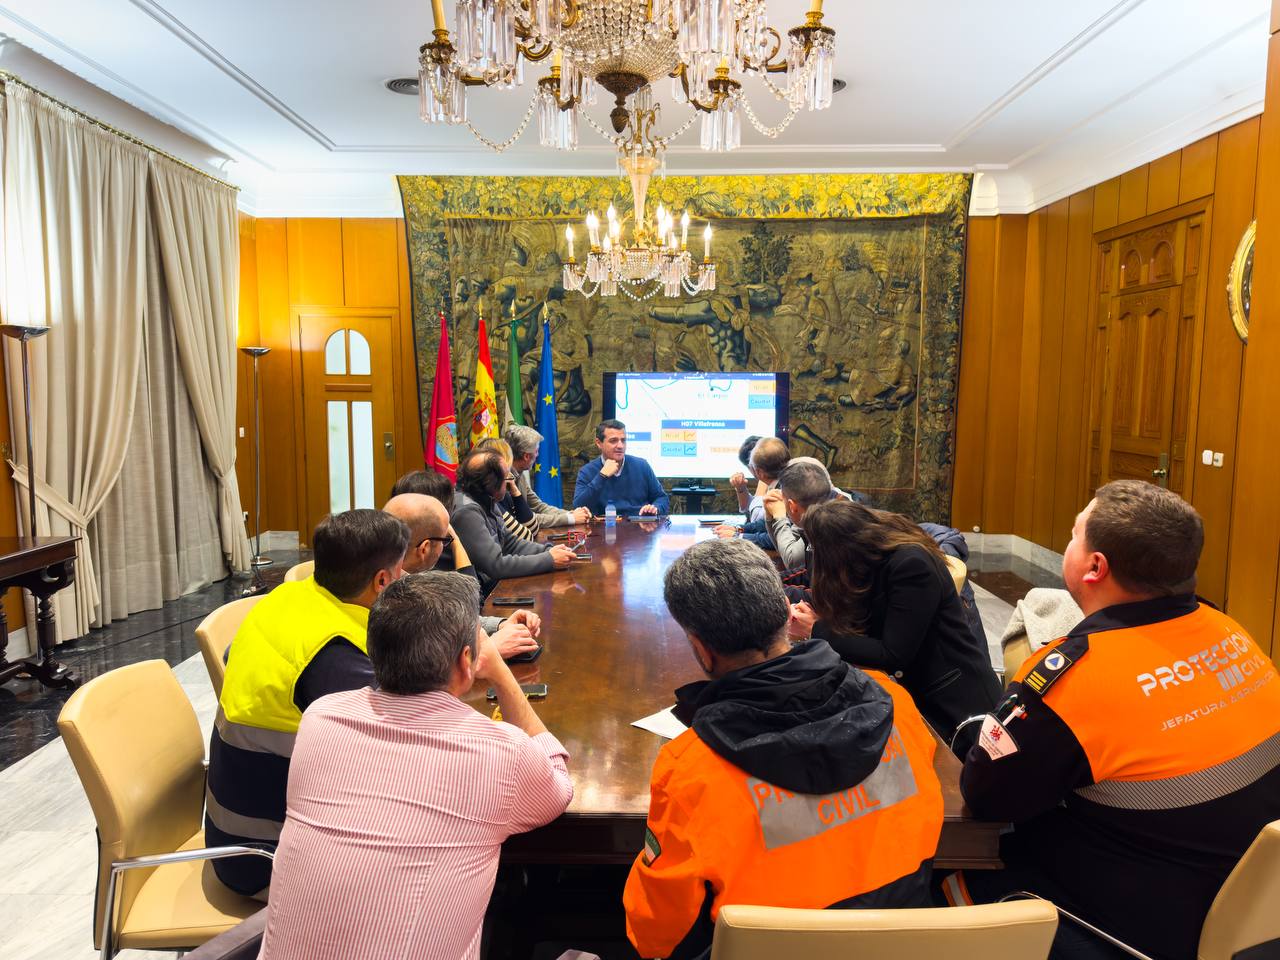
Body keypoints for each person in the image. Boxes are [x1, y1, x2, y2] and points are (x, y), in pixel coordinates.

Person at [954, 481, 1280, 960]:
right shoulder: (1230, 631)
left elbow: (986, 796)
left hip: (1144, 921)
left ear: (1094, 567)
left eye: (1073, 536)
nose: (1068, 544)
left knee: (955, 873)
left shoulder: (1073, 680)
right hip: (1252, 903)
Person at [623, 539, 943, 960]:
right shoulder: (895, 703)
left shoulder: (690, 768)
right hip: (904, 940)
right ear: (786, 615)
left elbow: (656, 935)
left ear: (701, 648)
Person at [257, 572, 574, 960]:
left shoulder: (321, 719)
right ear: (466, 662)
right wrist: (502, 675)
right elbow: (557, 784)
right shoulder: (499, 753)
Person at [206, 509, 410, 897]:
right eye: (401, 574)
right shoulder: (334, 661)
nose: (405, 582)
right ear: (382, 580)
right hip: (266, 856)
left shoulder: (290, 596)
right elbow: (406, 748)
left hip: (242, 821)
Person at [793, 498, 1001, 754]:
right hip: (919, 695)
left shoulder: (911, 565)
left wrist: (816, 629)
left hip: (954, 708)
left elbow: (893, 654)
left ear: (840, 549)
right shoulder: (875, 560)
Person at [383, 492, 540, 661]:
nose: (446, 546)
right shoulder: (391, 597)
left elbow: (448, 620)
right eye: (446, 540)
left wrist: (500, 625)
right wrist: (487, 649)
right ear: (424, 549)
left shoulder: (403, 578)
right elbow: (413, 669)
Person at [452, 449, 576, 595]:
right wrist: (548, 560)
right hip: (470, 597)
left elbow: (510, 543)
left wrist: (549, 550)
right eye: (506, 478)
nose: (510, 482)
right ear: (492, 483)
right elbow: (495, 565)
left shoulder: (486, 499)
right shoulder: (467, 511)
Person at [573, 419, 669, 517]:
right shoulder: (587, 471)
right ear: (598, 443)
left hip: (638, 527)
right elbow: (579, 506)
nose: (620, 446)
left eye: (623, 440)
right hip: (604, 528)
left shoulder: (642, 465)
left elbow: (662, 498)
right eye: (613, 441)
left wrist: (655, 508)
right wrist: (602, 476)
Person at [505, 423, 592, 528]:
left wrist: (572, 514)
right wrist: (570, 518)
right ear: (526, 456)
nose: (538, 455)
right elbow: (524, 519)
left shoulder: (519, 473)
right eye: (536, 451)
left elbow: (539, 507)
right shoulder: (504, 480)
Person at [717, 436, 789, 547]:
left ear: (758, 471)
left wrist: (739, 536)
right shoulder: (779, 483)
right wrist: (739, 529)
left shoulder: (787, 490)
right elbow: (767, 523)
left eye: (750, 466)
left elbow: (778, 538)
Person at [475, 436, 538, 542]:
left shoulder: (505, 491)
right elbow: (525, 536)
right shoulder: (486, 497)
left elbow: (533, 528)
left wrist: (515, 490)